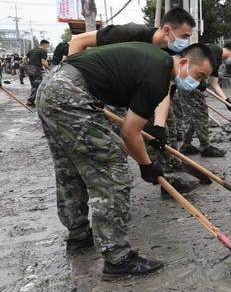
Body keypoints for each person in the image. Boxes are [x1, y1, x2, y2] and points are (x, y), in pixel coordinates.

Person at [36, 42, 215, 279]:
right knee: (111, 167)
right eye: (199, 75)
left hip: (53, 87)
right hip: (70, 94)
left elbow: (132, 121)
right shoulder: (156, 77)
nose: (197, 82)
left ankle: (78, 235)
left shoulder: (157, 61)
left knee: (69, 165)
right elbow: (130, 133)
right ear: (183, 62)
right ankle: (117, 258)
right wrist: (147, 166)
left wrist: (153, 139)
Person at [68, 8, 197, 186]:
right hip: (111, 92)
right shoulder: (131, 33)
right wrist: (80, 87)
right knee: (119, 140)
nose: (185, 42)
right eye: (184, 36)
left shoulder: (168, 51)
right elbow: (78, 40)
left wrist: (159, 125)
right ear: (167, 30)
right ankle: (115, 184)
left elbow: (162, 89)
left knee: (164, 133)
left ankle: (166, 178)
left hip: (140, 92)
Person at [178, 42, 231, 159]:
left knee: (189, 115)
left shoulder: (217, 61)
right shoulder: (214, 51)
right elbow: (191, 64)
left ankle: (186, 144)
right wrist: (197, 82)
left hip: (186, 85)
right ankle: (205, 147)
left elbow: (214, 84)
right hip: (190, 84)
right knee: (201, 114)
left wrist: (227, 101)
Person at [25, 40, 50, 106]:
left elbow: (24, 58)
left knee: (34, 85)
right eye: (47, 45)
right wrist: (50, 69)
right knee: (37, 85)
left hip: (29, 68)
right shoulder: (43, 51)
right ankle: (30, 101)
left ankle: (32, 100)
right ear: (44, 44)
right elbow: (43, 62)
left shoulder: (32, 50)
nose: (47, 47)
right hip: (36, 68)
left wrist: (27, 65)